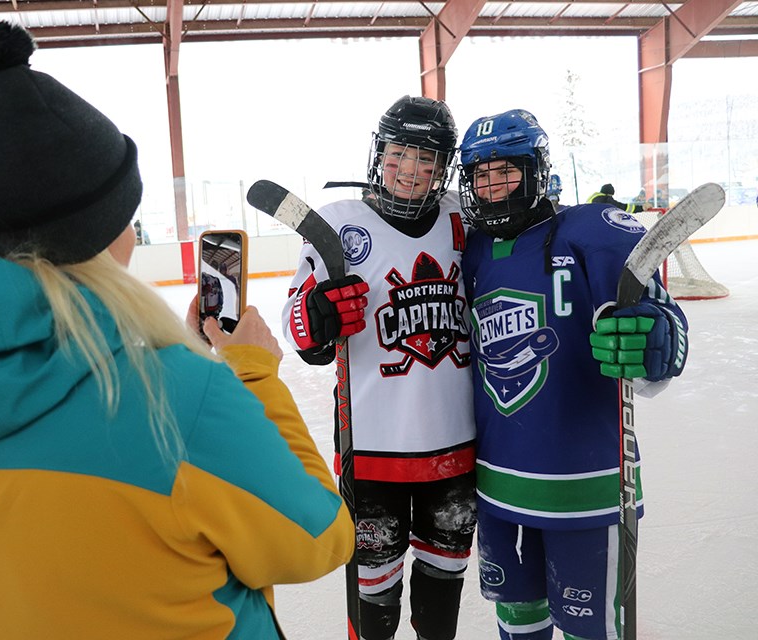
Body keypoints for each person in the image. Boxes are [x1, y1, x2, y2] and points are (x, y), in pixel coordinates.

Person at [0, 22, 353, 640]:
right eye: (129, 214)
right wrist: (249, 377)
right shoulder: (177, 398)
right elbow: (316, 538)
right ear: (98, 234)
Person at [457, 108, 689, 640]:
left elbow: (661, 321)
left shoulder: (590, 231)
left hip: (586, 486)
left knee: (592, 631)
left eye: (505, 171)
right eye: (481, 175)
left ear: (535, 169)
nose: (493, 186)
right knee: (518, 623)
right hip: (497, 487)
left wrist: (656, 342)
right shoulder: (468, 251)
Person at [281, 95, 476, 640]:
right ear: (379, 153)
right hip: (371, 451)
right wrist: (317, 316)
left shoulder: (464, 218)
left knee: (442, 597)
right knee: (374, 602)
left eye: (427, 158)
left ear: (444, 166)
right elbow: (299, 324)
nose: (411, 169)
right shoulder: (337, 223)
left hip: (455, 446)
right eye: (400, 153)